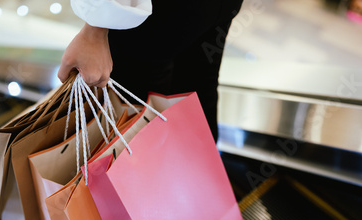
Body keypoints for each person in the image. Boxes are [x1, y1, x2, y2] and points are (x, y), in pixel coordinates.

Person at [58, 0, 243, 142]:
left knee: (133, 115)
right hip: (219, 6)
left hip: (162, 11)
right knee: (196, 90)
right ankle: (200, 186)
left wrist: (94, 29)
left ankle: (134, 188)